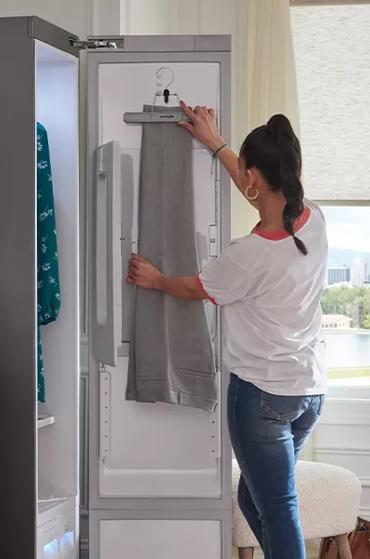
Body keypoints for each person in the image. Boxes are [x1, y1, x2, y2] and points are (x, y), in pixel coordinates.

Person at [127, 101, 328, 559]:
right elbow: (257, 187)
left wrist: (155, 279)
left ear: (256, 178)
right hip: (308, 394)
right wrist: (216, 143)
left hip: (261, 398)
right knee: (255, 501)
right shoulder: (313, 220)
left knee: (278, 511)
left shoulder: (247, 255)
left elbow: (192, 288)